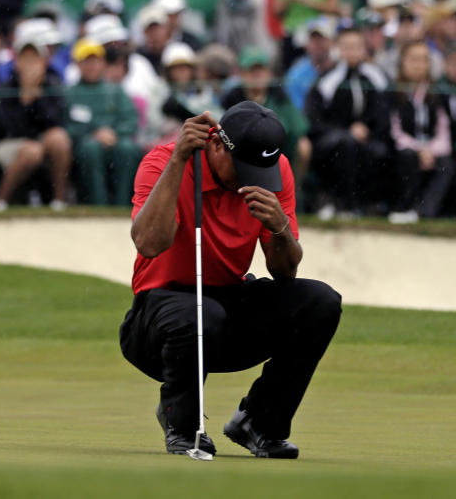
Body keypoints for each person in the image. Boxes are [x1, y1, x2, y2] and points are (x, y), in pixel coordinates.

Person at [121, 102, 341, 458]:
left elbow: (284, 272)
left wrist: (280, 228)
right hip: (157, 319)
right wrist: (178, 161)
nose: (249, 178)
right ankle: (182, 423)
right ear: (217, 145)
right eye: (243, 167)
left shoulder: (276, 170)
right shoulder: (164, 161)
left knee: (320, 302)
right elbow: (148, 243)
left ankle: (258, 422)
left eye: (259, 169)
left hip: (226, 308)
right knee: (200, 314)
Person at [304, 26, 390, 218]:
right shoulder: (326, 80)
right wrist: (346, 131)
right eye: (347, 46)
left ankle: (369, 203)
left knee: (378, 151)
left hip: (368, 138)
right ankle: (343, 203)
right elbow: (315, 119)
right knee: (346, 146)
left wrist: (366, 128)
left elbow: (384, 114)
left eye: (356, 46)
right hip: (332, 139)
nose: (352, 52)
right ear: (338, 49)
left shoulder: (376, 78)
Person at [0, 34, 71, 212]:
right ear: (17, 63)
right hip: (9, 143)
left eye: (35, 59)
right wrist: (25, 98)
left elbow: (55, 120)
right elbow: (8, 128)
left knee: (59, 139)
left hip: (40, 140)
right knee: (32, 151)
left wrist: (36, 97)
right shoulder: (7, 88)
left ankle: (59, 200)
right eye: (25, 58)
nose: (30, 64)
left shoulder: (52, 85)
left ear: (44, 62)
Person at [65, 39, 143, 206]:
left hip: (117, 139)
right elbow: (68, 126)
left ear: (102, 63)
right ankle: (97, 204)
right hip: (86, 142)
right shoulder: (70, 94)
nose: (92, 66)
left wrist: (115, 133)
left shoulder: (115, 90)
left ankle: (123, 204)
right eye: (86, 61)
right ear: (78, 65)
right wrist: (93, 133)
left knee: (128, 149)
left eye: (96, 60)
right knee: (90, 149)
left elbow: (131, 119)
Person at [387, 40, 454, 224]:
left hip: (432, 149)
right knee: (407, 157)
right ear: (403, 62)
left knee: (447, 164)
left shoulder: (438, 93)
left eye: (423, 60)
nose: (418, 65)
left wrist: (430, 150)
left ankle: (425, 212)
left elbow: (444, 131)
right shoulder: (393, 92)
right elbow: (395, 132)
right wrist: (419, 150)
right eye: (414, 59)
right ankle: (405, 206)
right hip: (404, 150)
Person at [221, 47, 310, 183]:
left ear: (269, 73)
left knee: (304, 147)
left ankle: (294, 188)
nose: (257, 75)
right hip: (241, 153)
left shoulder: (280, 97)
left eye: (261, 70)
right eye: (252, 71)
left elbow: (298, 128)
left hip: (280, 149)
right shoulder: (231, 99)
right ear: (242, 74)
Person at [272, 0, 340, 70]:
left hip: (319, 32)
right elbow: (276, 10)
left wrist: (309, 1)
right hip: (293, 33)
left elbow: (334, 7)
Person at [284, 17, 334, 111]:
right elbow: (297, 113)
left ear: (331, 41)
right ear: (306, 44)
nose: (318, 44)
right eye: (313, 39)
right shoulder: (295, 75)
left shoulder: (341, 69)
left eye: (322, 38)